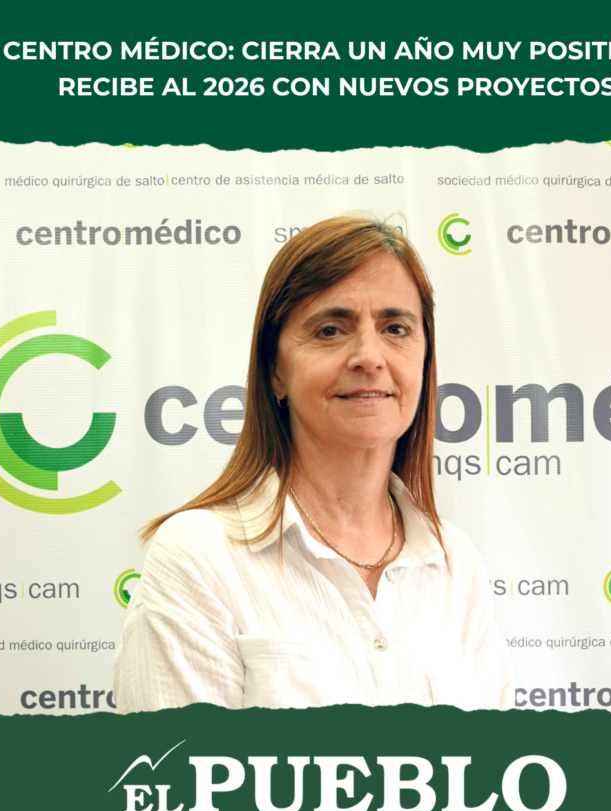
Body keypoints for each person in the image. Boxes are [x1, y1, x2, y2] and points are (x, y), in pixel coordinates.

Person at [113, 214, 514, 712]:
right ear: (275, 371)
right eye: (329, 330)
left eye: (395, 328)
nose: (369, 357)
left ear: (425, 359)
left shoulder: (456, 563)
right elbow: (179, 762)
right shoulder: (200, 558)